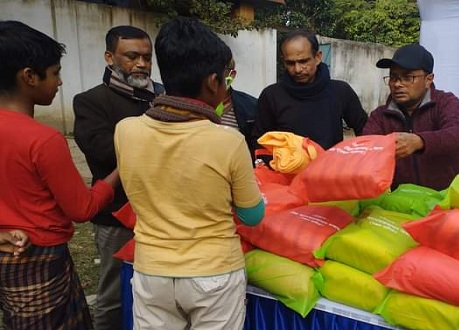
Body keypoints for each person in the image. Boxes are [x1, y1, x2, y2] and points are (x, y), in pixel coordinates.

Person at [113, 17, 264, 330]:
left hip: (152, 272)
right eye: (225, 79)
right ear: (213, 82)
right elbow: (252, 216)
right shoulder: (228, 140)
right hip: (214, 275)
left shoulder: (126, 131)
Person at [0, 20, 119, 329]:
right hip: (39, 260)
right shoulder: (43, 140)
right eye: (55, 73)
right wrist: (121, 170)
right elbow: (83, 208)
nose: (60, 82)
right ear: (29, 76)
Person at [72, 25, 163, 330]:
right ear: (110, 57)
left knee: (158, 291)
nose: (141, 64)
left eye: (147, 57)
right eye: (132, 56)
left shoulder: (162, 95)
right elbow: (102, 151)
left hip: (162, 215)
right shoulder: (90, 101)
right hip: (116, 218)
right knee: (113, 295)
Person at [362, 43, 459, 191]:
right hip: (405, 203)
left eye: (408, 77)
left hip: (450, 198)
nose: (397, 84)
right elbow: (365, 148)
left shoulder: (445, 103)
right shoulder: (380, 116)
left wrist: (420, 142)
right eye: (393, 77)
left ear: (428, 80)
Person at [252, 29, 367, 150]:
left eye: (303, 61)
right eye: (290, 63)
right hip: (286, 168)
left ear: (317, 57)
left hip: (331, 167)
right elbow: (259, 142)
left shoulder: (341, 91)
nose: (297, 69)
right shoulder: (271, 96)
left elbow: (367, 132)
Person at [220, 53, 258, 155]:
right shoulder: (195, 106)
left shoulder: (251, 107)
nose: (213, 77)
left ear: (231, 75)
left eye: (219, 71)